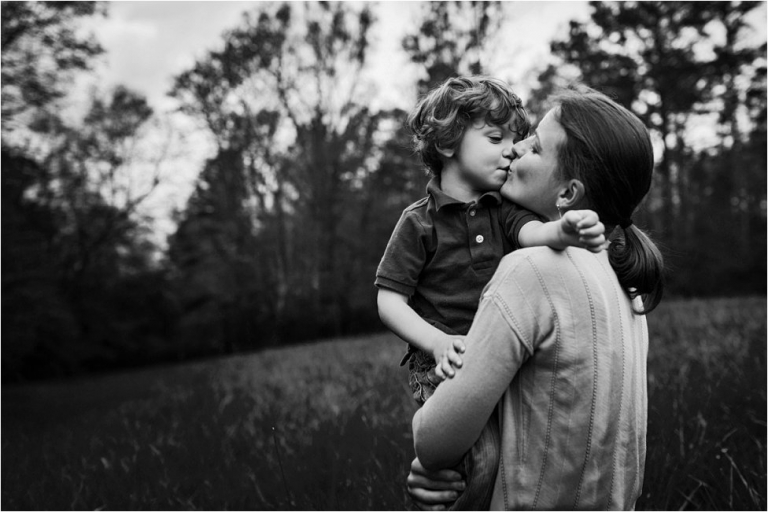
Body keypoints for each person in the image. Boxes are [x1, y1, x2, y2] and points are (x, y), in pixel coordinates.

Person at [408, 85, 664, 510]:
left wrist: (430, 461)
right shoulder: (624, 287)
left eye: (536, 146)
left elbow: (433, 441)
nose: (517, 147)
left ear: (567, 194)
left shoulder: (532, 271)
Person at [375, 76, 607, 510]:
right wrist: (437, 341)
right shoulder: (418, 222)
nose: (509, 150)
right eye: (496, 137)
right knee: (481, 460)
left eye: (516, 140)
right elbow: (388, 300)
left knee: (516, 453)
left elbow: (534, 233)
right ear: (447, 143)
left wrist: (564, 228)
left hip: (502, 355)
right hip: (446, 361)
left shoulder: (503, 208)